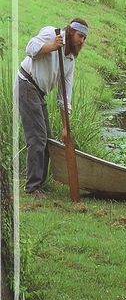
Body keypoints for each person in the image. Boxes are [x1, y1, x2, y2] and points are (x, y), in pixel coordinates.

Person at [15, 18, 88, 198]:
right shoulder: (51, 33)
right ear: (70, 32)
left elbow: (64, 96)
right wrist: (52, 47)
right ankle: (32, 187)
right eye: (80, 36)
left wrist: (65, 128)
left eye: (85, 38)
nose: (82, 41)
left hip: (39, 93)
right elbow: (30, 48)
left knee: (47, 140)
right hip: (26, 84)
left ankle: (40, 183)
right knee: (37, 138)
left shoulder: (70, 60)